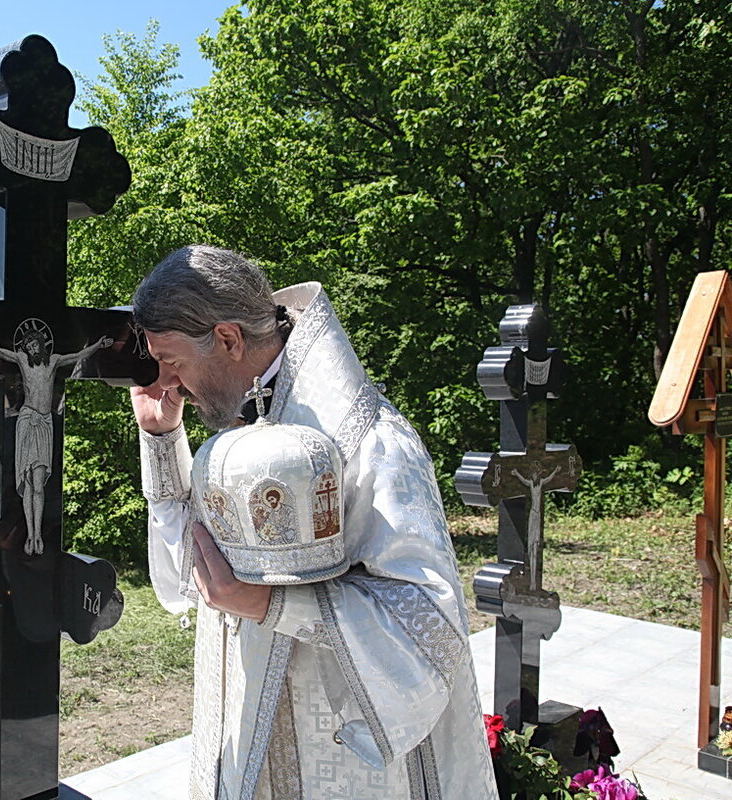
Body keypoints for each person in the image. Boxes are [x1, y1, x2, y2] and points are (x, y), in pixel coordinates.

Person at [131, 245, 498, 800]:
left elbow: (430, 622)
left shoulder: (372, 440)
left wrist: (272, 604)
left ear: (228, 340)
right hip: (248, 726)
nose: (168, 381)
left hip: (346, 752)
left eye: (173, 362)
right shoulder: (244, 416)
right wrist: (160, 438)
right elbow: (191, 576)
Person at [0, 320, 112, 555]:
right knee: (27, 483)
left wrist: (98, 345)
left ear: (41, 344)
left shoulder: (53, 362)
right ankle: (31, 537)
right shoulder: (21, 361)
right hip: (27, 422)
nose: (31, 347)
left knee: (39, 483)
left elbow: (78, 356)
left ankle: (37, 535)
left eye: (34, 343)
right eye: (27, 344)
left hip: (44, 424)